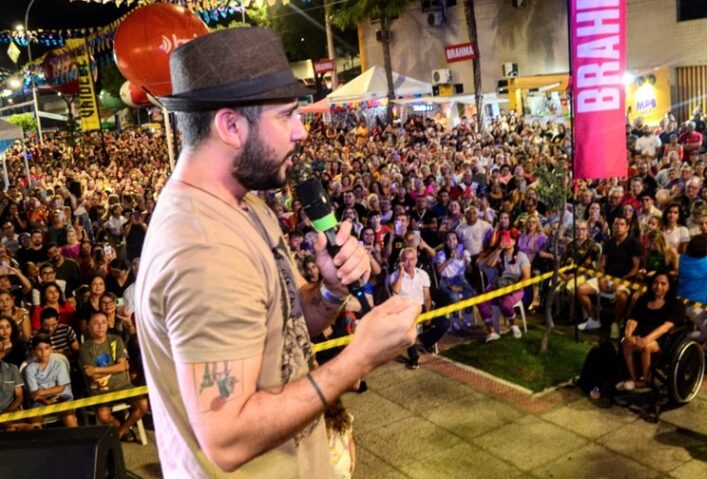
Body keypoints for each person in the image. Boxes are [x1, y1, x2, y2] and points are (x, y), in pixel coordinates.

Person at [135, 28, 419, 477]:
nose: (301, 131)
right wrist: (359, 358)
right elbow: (227, 439)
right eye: (287, 116)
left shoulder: (246, 206)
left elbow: (288, 324)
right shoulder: (203, 248)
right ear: (230, 126)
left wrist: (329, 291)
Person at [80, 312, 147, 441]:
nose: (100, 326)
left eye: (103, 322)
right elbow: (92, 375)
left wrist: (97, 369)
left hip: (124, 386)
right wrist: (116, 367)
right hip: (101, 390)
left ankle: (121, 432)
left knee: (143, 405)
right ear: (89, 326)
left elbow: (122, 367)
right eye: (96, 323)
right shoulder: (85, 347)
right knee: (103, 415)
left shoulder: (116, 340)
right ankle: (120, 427)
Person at [617, 273, 682, 391]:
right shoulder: (643, 300)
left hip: (660, 338)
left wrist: (646, 339)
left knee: (646, 347)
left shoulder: (675, 304)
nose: (658, 286)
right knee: (626, 343)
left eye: (663, 284)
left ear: (669, 286)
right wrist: (629, 335)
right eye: (655, 283)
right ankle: (633, 378)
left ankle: (646, 380)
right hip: (640, 333)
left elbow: (666, 327)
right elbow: (632, 320)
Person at [388, 247, 445, 370]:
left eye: (412, 259)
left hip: (421, 307)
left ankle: (426, 341)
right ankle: (413, 357)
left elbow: (427, 298)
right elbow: (394, 293)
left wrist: (428, 316)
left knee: (445, 322)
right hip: (404, 310)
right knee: (410, 326)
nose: (409, 263)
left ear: (416, 260)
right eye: (406, 259)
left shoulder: (423, 274)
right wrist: (401, 274)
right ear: (401, 261)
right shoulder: (394, 276)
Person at [477, 231, 530, 341]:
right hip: (498, 286)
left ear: (514, 241)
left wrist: (514, 288)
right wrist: (499, 249)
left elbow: (526, 277)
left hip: (514, 287)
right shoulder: (499, 254)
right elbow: (489, 264)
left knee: (505, 304)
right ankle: (492, 332)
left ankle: (514, 326)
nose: (505, 241)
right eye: (502, 239)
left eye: (508, 238)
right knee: (481, 301)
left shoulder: (521, 256)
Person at [23, 334, 78, 428]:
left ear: (51, 349)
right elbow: (34, 394)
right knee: (34, 422)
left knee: (70, 418)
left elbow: (61, 388)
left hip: (61, 398)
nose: (43, 352)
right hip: (40, 401)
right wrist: (45, 400)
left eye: (46, 348)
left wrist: (41, 392)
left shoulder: (59, 363)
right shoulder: (30, 369)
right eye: (39, 349)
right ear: (34, 351)